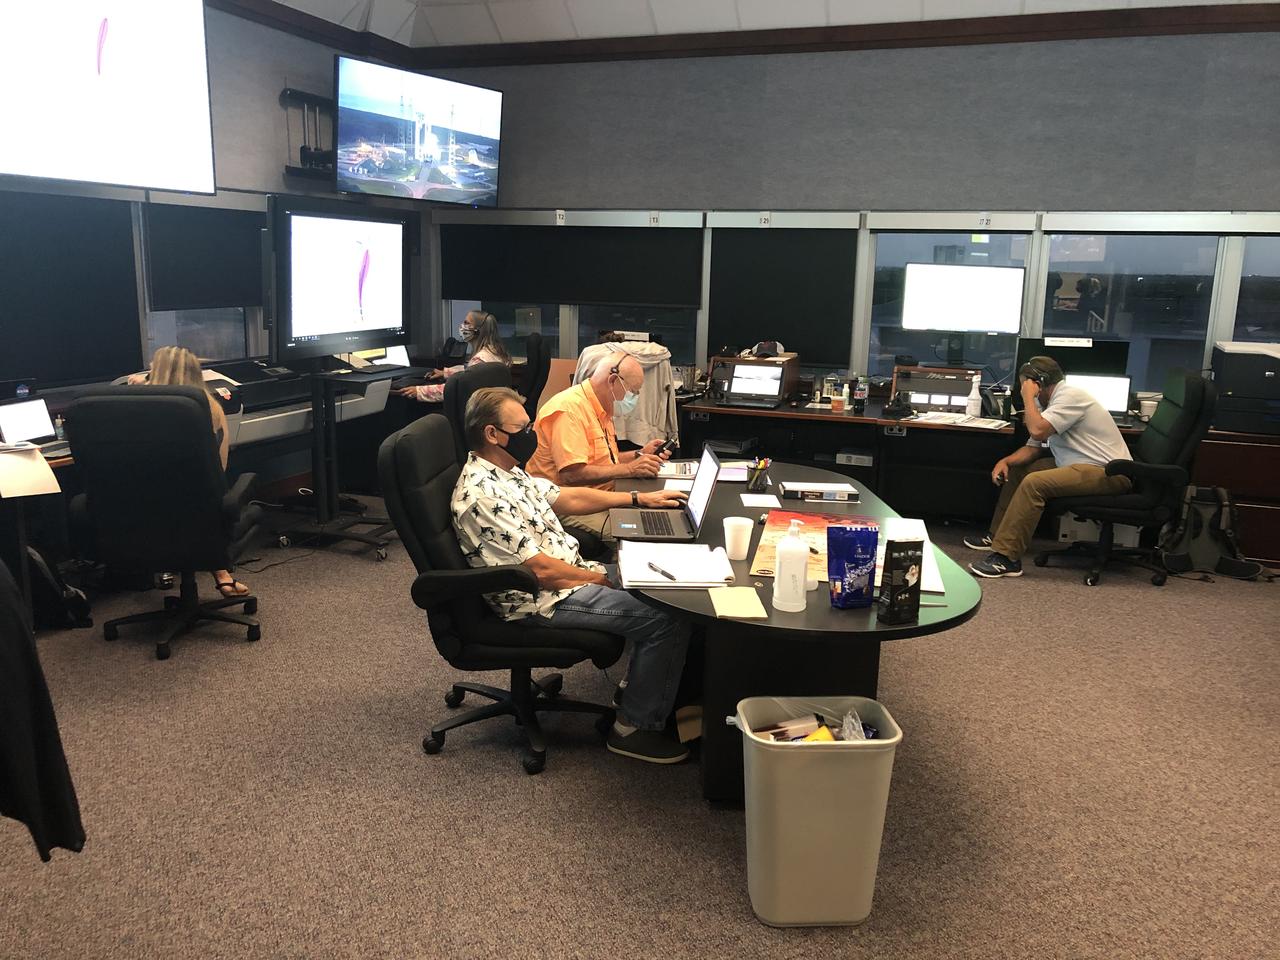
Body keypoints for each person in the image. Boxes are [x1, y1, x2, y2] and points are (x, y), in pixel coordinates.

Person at [452, 387, 692, 763]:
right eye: (522, 428)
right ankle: (633, 728)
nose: (531, 434)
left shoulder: (507, 471)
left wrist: (637, 498)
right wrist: (598, 579)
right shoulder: (482, 496)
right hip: (542, 598)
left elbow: (567, 497)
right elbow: (539, 570)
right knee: (666, 616)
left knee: (663, 583)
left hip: (570, 574)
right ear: (492, 434)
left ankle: (643, 687)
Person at [966, 356, 1133, 578]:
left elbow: (1038, 431)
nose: (1024, 391)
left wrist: (1028, 397)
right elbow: (1033, 447)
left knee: (1035, 483)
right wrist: (1006, 461)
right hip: (1079, 465)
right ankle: (997, 536)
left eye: (1026, 385)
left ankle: (1007, 558)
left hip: (1109, 472)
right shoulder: (1046, 403)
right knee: (1020, 471)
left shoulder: (1070, 397)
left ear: (1039, 383)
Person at [525, 354, 671, 544]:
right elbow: (571, 474)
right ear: (612, 381)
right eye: (632, 391)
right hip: (569, 504)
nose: (634, 398)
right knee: (644, 535)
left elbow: (603, 460)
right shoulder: (569, 410)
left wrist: (639, 455)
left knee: (661, 514)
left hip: (601, 496)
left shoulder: (600, 407)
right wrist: (630, 469)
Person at [144, 346, 248, 599]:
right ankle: (221, 572)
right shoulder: (211, 411)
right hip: (199, 511)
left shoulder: (135, 410)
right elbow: (219, 470)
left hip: (142, 511)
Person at [392, 310, 510, 403]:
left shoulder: (479, 359)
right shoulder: (494, 353)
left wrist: (418, 391)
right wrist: (446, 373)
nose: (462, 326)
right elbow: (470, 373)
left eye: (466, 323)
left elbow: (455, 390)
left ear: (477, 331)